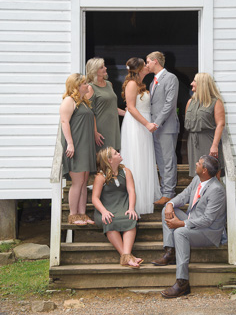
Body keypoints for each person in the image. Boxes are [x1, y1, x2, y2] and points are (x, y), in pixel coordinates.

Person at [152, 155, 226, 298]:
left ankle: (182, 283)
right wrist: (170, 204)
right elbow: (184, 196)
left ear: (204, 170)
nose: (195, 163)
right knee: (166, 211)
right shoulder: (197, 179)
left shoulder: (216, 190)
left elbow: (207, 220)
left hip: (208, 232)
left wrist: (181, 223)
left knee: (180, 232)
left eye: (198, 163)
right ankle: (171, 251)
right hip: (194, 222)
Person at [120, 58, 161, 215]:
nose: (147, 65)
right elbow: (131, 107)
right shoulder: (132, 84)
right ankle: (135, 200)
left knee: (144, 159)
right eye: (144, 64)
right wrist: (146, 124)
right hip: (136, 125)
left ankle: (146, 193)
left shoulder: (142, 84)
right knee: (136, 158)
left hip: (143, 124)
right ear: (139, 69)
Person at [92, 147, 143, 268]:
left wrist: (131, 208)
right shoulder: (100, 176)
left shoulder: (126, 172)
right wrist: (104, 212)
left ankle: (126, 257)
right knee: (110, 220)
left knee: (130, 218)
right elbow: (95, 198)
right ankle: (128, 257)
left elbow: (131, 191)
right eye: (116, 153)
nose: (119, 154)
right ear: (109, 160)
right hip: (106, 208)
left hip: (123, 205)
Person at [60, 73, 96, 225]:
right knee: (77, 182)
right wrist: (70, 143)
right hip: (76, 146)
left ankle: (82, 214)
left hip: (86, 146)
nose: (88, 86)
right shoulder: (69, 100)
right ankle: (73, 215)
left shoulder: (84, 101)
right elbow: (64, 122)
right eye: (84, 84)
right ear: (76, 86)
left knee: (84, 182)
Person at [146, 51, 179, 205]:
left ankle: (169, 193)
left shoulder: (170, 78)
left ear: (155, 61)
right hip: (156, 128)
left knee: (168, 160)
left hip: (166, 127)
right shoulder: (153, 82)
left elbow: (169, 104)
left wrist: (156, 123)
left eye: (147, 62)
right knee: (160, 161)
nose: (146, 65)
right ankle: (163, 191)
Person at [185, 72, 225, 178]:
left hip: (208, 140)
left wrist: (215, 146)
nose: (191, 83)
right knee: (196, 174)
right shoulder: (190, 102)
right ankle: (199, 194)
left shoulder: (216, 102)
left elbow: (220, 124)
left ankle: (212, 195)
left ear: (202, 84)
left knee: (211, 174)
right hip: (193, 141)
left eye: (194, 81)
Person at [86, 57, 125, 152]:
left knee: (113, 155)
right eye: (101, 67)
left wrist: (129, 114)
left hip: (113, 127)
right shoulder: (90, 88)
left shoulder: (109, 84)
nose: (105, 68)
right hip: (100, 129)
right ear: (94, 71)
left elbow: (112, 107)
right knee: (103, 158)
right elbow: (90, 112)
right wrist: (94, 132)